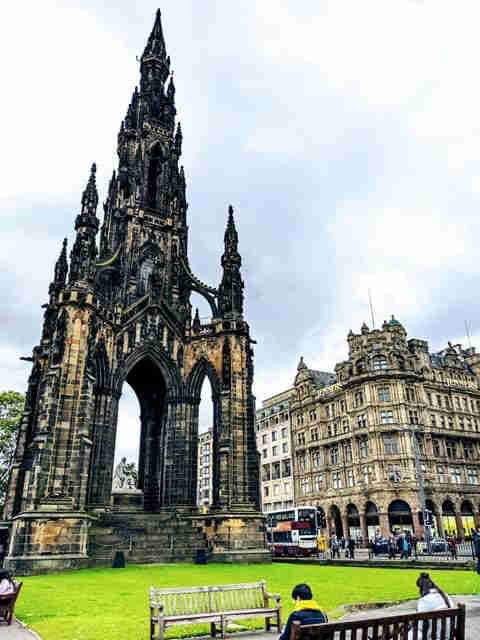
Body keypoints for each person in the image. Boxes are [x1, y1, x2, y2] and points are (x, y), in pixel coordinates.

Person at [408, 573, 452, 639]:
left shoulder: (424, 601)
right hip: (448, 636)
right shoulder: (446, 596)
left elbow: (420, 626)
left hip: (435, 637)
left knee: (411, 634)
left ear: (421, 588)